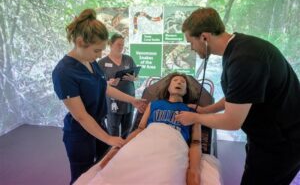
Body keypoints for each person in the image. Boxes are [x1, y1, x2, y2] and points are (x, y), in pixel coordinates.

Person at [175, 7, 300, 185]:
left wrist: (195, 117)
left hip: (282, 143)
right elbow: (238, 96)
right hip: (264, 137)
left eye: (190, 42)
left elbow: (232, 122)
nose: (191, 48)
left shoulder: (246, 58)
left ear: (204, 37)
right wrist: (205, 110)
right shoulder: (237, 49)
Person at [52, 9, 146, 185]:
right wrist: (109, 138)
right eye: (97, 50)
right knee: (82, 177)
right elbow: (81, 116)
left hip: (99, 125)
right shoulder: (63, 72)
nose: (100, 55)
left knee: (104, 170)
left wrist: (132, 100)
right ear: (80, 42)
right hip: (80, 133)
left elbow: (104, 88)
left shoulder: (90, 61)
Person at [75, 73, 222, 185]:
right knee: (120, 168)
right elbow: (139, 129)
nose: (179, 82)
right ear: (168, 87)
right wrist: (118, 150)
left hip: (172, 146)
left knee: (164, 176)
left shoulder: (193, 111)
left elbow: (196, 142)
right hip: (146, 140)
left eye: (183, 82)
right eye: (175, 80)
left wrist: (194, 170)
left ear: (186, 91)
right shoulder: (154, 104)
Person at [98, 33, 137, 138]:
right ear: (111, 45)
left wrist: (133, 78)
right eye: (118, 45)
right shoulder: (102, 63)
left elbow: (136, 77)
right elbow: (98, 83)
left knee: (127, 130)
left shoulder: (128, 59)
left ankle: (125, 152)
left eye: (122, 45)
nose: (121, 47)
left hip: (129, 100)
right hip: (113, 102)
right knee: (113, 130)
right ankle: (113, 152)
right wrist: (108, 83)